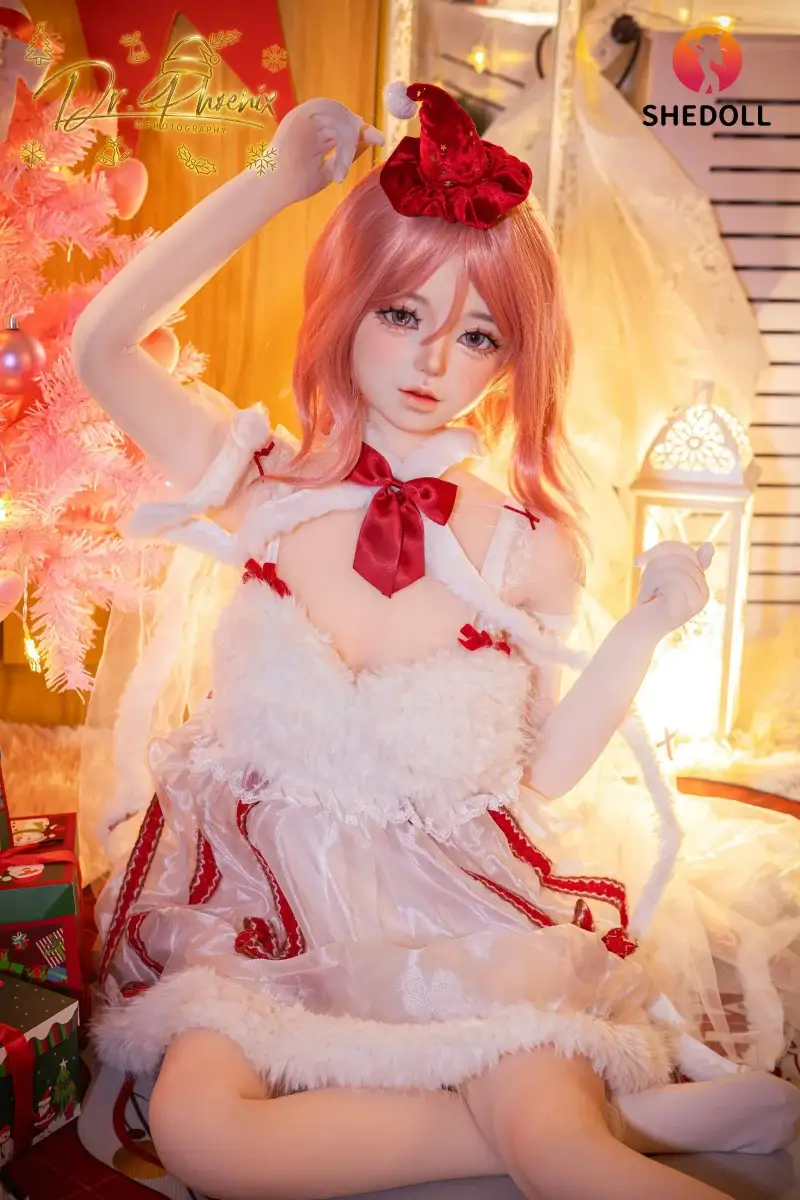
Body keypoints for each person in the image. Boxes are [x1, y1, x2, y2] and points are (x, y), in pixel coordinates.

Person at [71, 84, 800, 1200]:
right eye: (400, 314)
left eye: (477, 335)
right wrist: (272, 182)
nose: (431, 362)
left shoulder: (525, 545)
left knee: (559, 1158)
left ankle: (581, 1130)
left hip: (456, 908)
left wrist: (649, 626)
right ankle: (615, 1121)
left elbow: (549, 769)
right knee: (203, 1137)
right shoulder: (258, 485)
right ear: (346, 304)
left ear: (511, 360)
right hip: (266, 912)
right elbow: (102, 346)